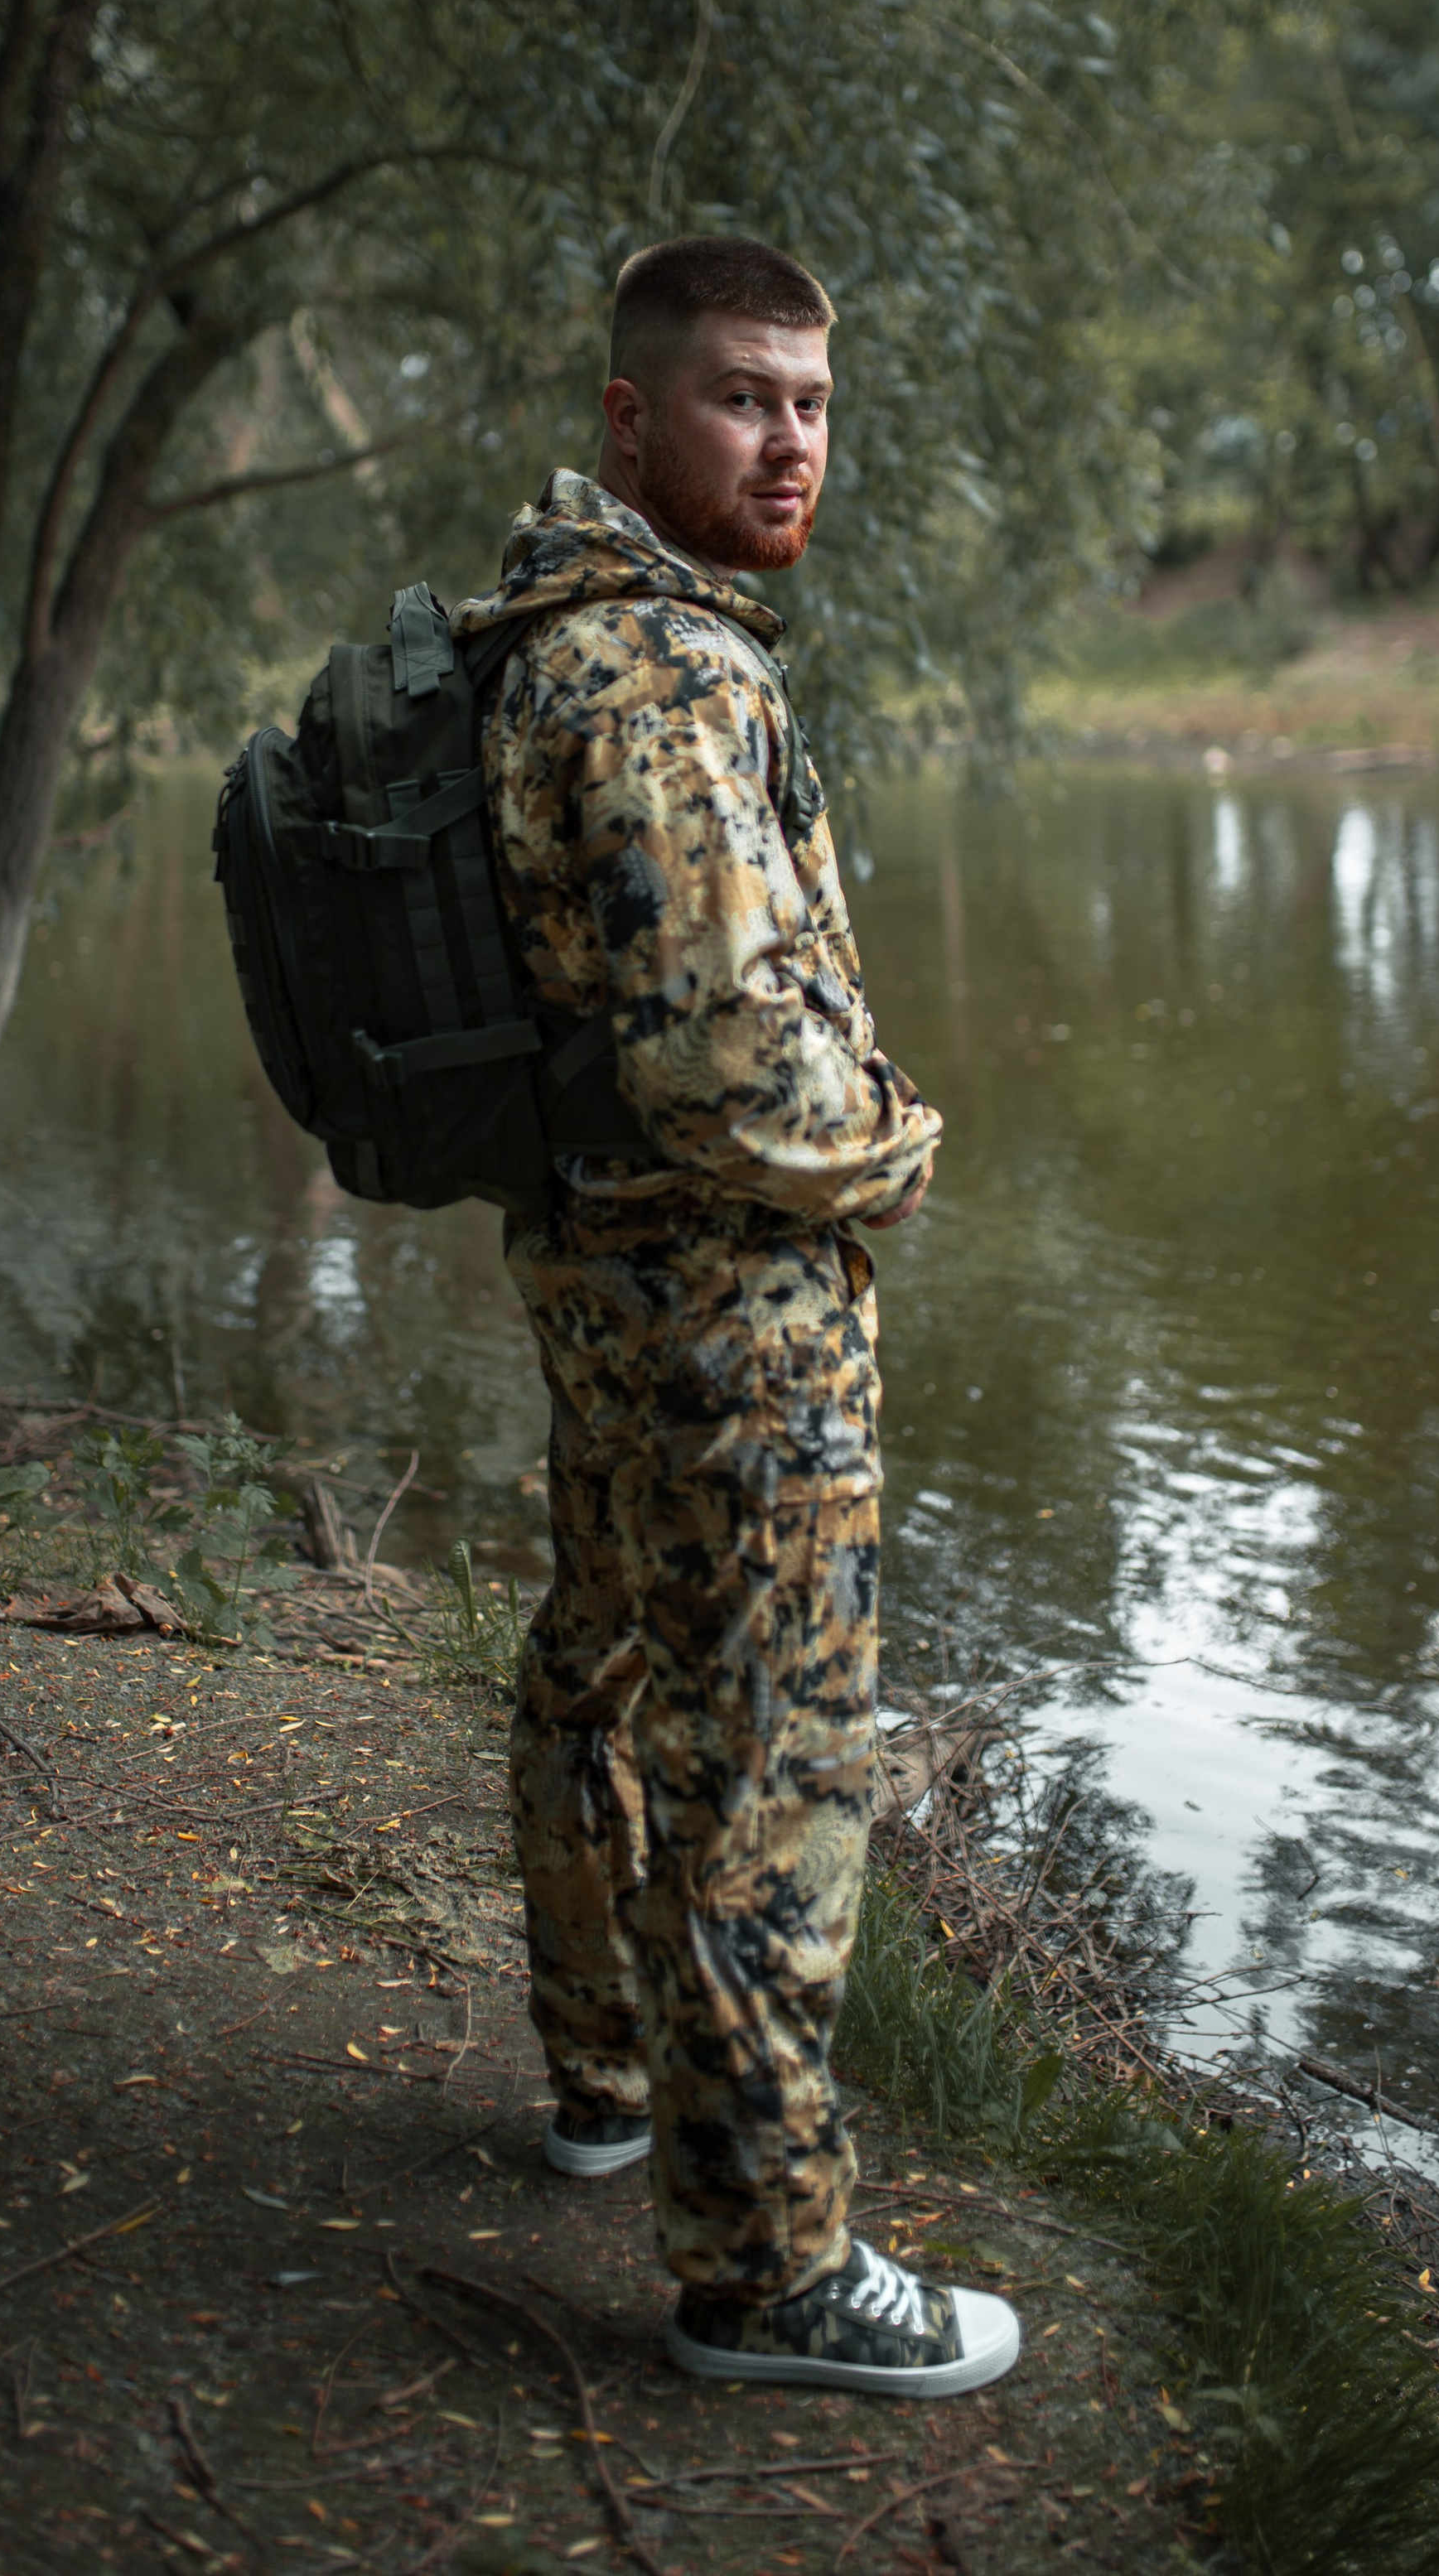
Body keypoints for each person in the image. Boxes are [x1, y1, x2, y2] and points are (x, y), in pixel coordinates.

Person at [450, 234, 1020, 2397]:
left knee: (596, 1665)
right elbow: (722, 1061)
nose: (788, 439)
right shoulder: (665, 676)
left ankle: (606, 2078)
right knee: (772, 1770)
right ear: (631, 420)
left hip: (611, 1295)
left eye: (809, 403)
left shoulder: (558, 636)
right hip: (733, 1325)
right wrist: (899, 1151)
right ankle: (770, 2268)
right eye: (741, 398)